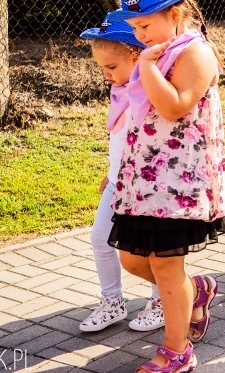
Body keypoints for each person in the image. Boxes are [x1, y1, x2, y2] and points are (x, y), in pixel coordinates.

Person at [108, 0, 225, 373]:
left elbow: (174, 105)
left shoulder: (194, 53)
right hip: (145, 179)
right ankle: (193, 290)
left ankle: (177, 351)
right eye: (134, 26)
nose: (140, 34)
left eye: (145, 24)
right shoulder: (159, 50)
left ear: (175, 13)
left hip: (179, 183)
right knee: (131, 258)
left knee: (165, 264)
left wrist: (144, 66)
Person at [77, 18, 167, 333]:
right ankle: (113, 302)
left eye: (111, 66)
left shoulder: (150, 91)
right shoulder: (120, 91)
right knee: (100, 240)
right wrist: (110, 171)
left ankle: (163, 300)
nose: (106, 74)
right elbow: (120, 138)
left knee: (151, 249)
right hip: (117, 182)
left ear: (135, 55)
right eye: (102, 67)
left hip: (146, 187)